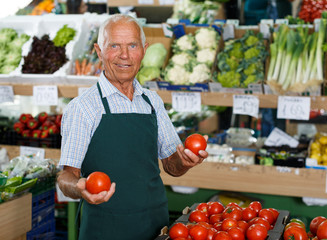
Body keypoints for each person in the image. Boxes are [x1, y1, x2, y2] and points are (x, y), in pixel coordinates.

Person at [57, 14, 209, 240]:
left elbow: (171, 165)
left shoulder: (152, 101)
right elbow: (65, 176)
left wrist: (186, 161)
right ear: (99, 52)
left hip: (155, 224)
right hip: (105, 228)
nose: (124, 55)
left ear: (144, 50)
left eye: (132, 45)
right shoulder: (83, 108)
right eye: (114, 46)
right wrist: (80, 188)